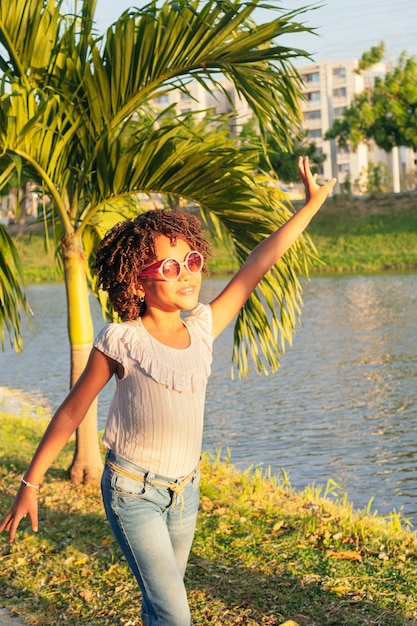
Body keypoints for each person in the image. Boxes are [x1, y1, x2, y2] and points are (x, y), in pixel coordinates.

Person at [0, 157, 335, 625]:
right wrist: (30, 485)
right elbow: (72, 412)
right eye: (172, 266)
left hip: (186, 491)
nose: (188, 274)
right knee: (175, 615)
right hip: (131, 493)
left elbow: (258, 262)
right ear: (137, 278)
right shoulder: (122, 339)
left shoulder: (202, 326)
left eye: (192, 260)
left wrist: (311, 205)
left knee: (161, 606)